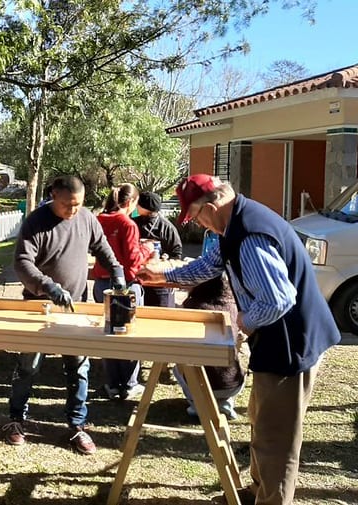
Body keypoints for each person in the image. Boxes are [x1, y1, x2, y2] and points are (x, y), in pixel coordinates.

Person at [138, 174, 341, 505]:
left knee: (277, 438)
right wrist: (164, 277)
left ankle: (271, 500)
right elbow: (211, 265)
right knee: (260, 421)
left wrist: (242, 324)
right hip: (276, 338)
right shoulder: (235, 223)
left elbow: (278, 301)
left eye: (198, 216)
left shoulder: (248, 236)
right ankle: (256, 491)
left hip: (291, 343)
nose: (199, 224)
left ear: (213, 206)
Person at [4, 175, 125, 455]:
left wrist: (116, 271)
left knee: (78, 368)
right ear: (53, 195)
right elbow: (22, 262)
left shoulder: (85, 218)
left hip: (76, 307)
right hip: (39, 306)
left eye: (78, 205)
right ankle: (15, 420)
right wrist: (47, 286)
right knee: (28, 367)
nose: (72, 210)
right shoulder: (36, 221)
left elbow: (102, 247)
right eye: (67, 205)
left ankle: (77, 425)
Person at [92, 183, 153, 400]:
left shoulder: (99, 219)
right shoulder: (127, 224)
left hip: (100, 282)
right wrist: (148, 249)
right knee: (129, 333)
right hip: (126, 284)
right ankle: (129, 383)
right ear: (131, 203)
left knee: (108, 332)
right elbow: (132, 261)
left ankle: (112, 383)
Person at [172, 274, 246, 420]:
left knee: (179, 365)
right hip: (232, 383)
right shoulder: (234, 306)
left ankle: (198, 404)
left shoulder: (192, 307)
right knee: (232, 357)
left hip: (200, 383)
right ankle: (224, 402)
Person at [132, 191, 182, 308]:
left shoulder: (166, 227)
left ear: (144, 207)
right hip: (136, 280)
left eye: (138, 204)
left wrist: (165, 259)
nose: (136, 206)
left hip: (159, 282)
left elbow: (176, 253)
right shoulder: (133, 223)